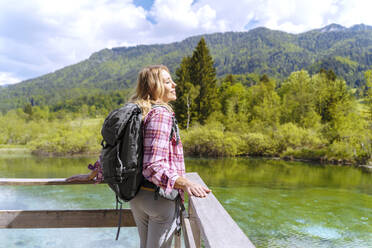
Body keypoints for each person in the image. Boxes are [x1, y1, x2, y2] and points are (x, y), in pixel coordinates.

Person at [67, 65, 211, 248]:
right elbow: (153, 167)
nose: (174, 84)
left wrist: (95, 172)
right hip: (159, 199)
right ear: (154, 87)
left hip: (137, 197)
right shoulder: (160, 114)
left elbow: (122, 151)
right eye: (167, 82)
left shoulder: (138, 112)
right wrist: (186, 183)